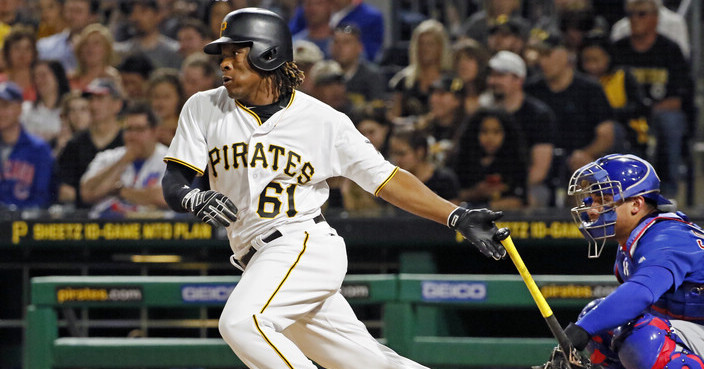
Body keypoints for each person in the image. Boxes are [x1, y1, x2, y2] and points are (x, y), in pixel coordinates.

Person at [162, 8, 505, 369]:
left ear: (268, 52)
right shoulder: (203, 107)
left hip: (302, 245)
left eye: (235, 52)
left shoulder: (323, 120)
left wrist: (454, 215)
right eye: (223, 55)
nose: (225, 64)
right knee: (370, 363)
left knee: (242, 323)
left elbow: (386, 179)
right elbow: (175, 180)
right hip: (257, 260)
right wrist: (192, 196)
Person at [561, 153, 704, 369]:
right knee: (603, 321)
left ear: (636, 204)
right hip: (695, 329)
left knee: (645, 339)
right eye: (593, 199)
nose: (592, 209)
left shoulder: (667, 236)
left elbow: (640, 293)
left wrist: (580, 331)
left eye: (604, 200)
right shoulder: (630, 244)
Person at [610, 0, 692, 200]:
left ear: (655, 18)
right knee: (610, 126)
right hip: (625, 113)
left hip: (660, 112)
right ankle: (616, 191)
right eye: (631, 14)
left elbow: (680, 98)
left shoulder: (670, 50)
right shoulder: (618, 50)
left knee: (670, 122)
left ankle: (669, 192)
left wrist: (649, 110)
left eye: (642, 14)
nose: (635, 19)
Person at [524, 31, 616, 205]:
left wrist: (587, 153)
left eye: (547, 55)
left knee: (585, 185)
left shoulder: (590, 89)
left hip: (578, 161)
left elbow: (606, 135)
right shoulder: (531, 90)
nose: (542, 62)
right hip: (541, 163)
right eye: (540, 56)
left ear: (565, 55)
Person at [483, 50, 556, 207]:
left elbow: (539, 171)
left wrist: (511, 189)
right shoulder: (484, 112)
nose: (493, 81)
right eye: (492, 75)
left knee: (531, 197)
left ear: (519, 80)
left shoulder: (538, 115)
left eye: (500, 76)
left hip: (529, 185)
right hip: (489, 185)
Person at [80, 102, 168, 217]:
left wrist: (119, 191)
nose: (132, 135)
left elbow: (164, 198)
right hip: (107, 227)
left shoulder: (170, 159)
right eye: (128, 129)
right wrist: (122, 161)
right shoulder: (108, 157)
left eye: (139, 129)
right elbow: (86, 193)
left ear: (155, 131)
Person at [579, 31, 650, 158]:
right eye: (586, 60)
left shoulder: (623, 76)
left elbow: (639, 108)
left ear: (608, 57)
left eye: (595, 60)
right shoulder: (579, 81)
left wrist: (609, 114)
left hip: (626, 135)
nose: (591, 66)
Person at [56, 78, 124, 208]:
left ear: (117, 104)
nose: (93, 105)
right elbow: (64, 191)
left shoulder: (128, 140)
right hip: (83, 219)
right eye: (91, 99)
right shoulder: (75, 144)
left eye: (100, 99)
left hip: (122, 217)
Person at [454, 108, 528, 210]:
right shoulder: (463, 160)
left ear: (507, 134)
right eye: (484, 131)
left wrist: (487, 206)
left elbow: (519, 201)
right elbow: (453, 197)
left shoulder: (515, 162)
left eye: (496, 132)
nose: (490, 138)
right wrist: (476, 193)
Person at [0, 81, 54, 209]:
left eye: (5, 106)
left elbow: (43, 197)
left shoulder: (38, 149)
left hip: (26, 224)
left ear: (19, 108)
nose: (0, 112)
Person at [388, 19, 453, 122]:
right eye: (421, 44)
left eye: (430, 44)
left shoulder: (451, 79)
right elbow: (394, 118)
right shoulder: (403, 80)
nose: (425, 49)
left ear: (441, 47)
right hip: (408, 133)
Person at [388, 128, 460, 204]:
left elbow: (453, 212)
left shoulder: (444, 180)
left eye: (402, 154)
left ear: (420, 152)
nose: (397, 159)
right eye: (394, 154)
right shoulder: (395, 181)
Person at [36, 0, 101, 76]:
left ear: (92, 17)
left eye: (78, 11)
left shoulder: (103, 48)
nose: (71, 16)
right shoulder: (45, 46)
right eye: (69, 10)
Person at [330, 24, 386, 109]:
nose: (340, 47)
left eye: (346, 42)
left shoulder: (371, 76)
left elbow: (377, 109)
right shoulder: (323, 74)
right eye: (336, 42)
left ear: (359, 47)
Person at [114, 0, 182, 69]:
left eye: (143, 12)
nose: (136, 17)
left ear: (157, 15)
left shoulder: (174, 51)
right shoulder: (122, 52)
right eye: (133, 12)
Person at [20, 60, 71, 146]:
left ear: (57, 77)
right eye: (35, 76)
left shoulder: (70, 109)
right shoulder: (26, 109)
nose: (38, 80)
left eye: (43, 75)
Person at [69, 23, 122, 92]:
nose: (90, 48)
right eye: (86, 43)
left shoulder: (112, 79)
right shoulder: (71, 78)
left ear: (107, 49)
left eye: (96, 43)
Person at [146, 68, 185, 146]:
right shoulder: (143, 126)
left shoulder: (188, 127)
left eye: (166, 97)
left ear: (179, 98)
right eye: (156, 97)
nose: (160, 103)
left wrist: (172, 142)